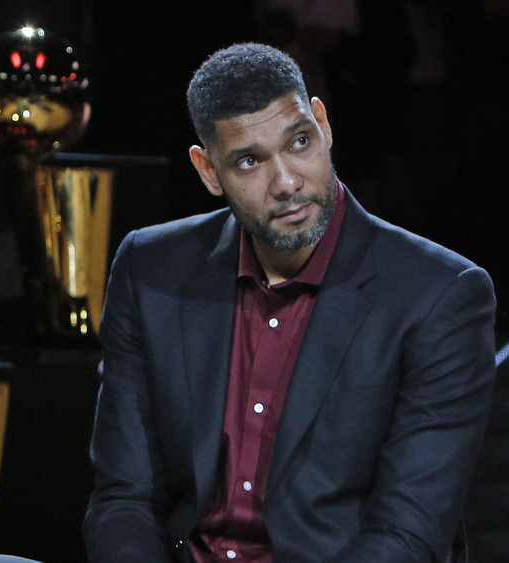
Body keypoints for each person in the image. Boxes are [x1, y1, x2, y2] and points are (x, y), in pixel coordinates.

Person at [82, 42, 496, 562]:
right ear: (209, 171)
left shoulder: (439, 294)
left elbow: (406, 537)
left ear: (322, 124)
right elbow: (123, 500)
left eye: (299, 142)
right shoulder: (152, 269)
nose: (286, 182)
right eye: (250, 160)